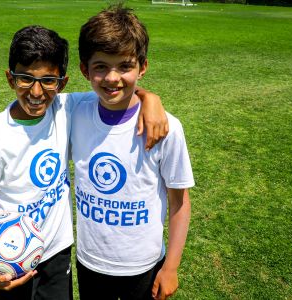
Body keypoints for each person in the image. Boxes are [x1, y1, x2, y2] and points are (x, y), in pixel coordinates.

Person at [0, 25, 168, 300]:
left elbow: (114, 89)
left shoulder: (66, 109)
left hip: (56, 254)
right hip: (9, 257)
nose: (36, 91)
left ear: (62, 83)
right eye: (25, 78)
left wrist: (149, 97)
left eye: (48, 81)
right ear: (10, 79)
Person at [71, 5, 195, 300]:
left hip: (143, 265)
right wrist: (146, 94)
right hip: (90, 261)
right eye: (100, 66)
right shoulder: (75, 111)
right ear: (84, 69)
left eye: (124, 66)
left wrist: (172, 267)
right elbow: (36, 98)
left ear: (143, 67)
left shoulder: (166, 129)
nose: (112, 78)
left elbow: (179, 203)